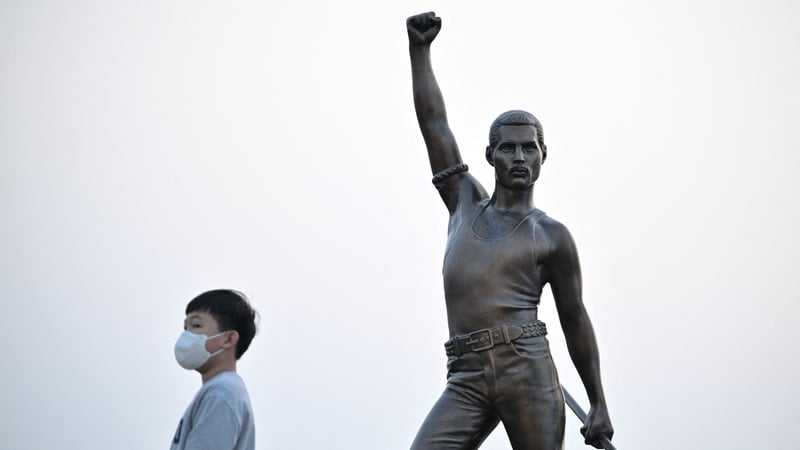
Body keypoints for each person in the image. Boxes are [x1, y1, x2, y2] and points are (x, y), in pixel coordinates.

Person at [406, 12, 614, 449]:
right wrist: (419, 51)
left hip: (526, 370)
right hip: (465, 373)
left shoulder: (552, 236)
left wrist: (598, 401)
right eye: (508, 147)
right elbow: (435, 126)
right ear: (490, 155)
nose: (519, 156)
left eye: (529, 147)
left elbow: (574, 317)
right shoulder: (463, 203)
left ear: (543, 156)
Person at [171, 289, 258, 450]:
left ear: (228, 339)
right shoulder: (220, 389)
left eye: (196, 325)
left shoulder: (221, 392)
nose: (187, 336)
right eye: (186, 328)